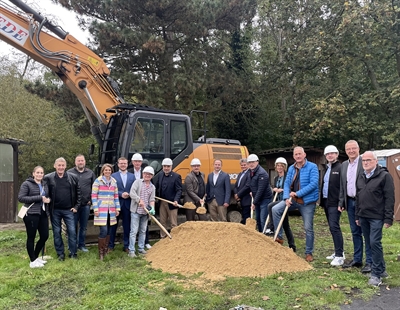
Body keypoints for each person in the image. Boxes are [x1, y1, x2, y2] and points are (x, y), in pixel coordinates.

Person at [271, 147, 319, 262]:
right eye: (296, 154)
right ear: (293, 156)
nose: (298, 156)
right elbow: (287, 184)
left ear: (304, 155)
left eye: (300, 154)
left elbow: (313, 184)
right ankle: (279, 237)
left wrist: (297, 194)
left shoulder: (312, 167)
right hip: (293, 200)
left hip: (307, 202)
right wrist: (287, 197)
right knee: (275, 209)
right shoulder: (292, 168)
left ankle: (308, 252)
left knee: (308, 228)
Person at [356, 151, 394, 286]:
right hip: (363, 215)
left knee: (374, 242)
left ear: (376, 161)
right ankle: (382, 269)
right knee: (369, 242)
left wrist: (388, 218)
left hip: (377, 216)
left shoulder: (384, 176)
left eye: (368, 160)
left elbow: (390, 198)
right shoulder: (361, 176)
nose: (365, 162)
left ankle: (376, 274)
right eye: (363, 160)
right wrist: (357, 215)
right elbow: (358, 197)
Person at [339, 140, 372, 272]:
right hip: (350, 202)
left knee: (366, 232)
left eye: (353, 148)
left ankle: (369, 261)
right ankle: (357, 259)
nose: (351, 151)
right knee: (355, 231)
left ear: (358, 149)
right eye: (348, 149)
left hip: (363, 203)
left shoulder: (364, 162)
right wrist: (341, 201)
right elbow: (343, 185)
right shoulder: (344, 165)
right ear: (345, 151)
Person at [45, 157, 81, 261]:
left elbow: (79, 193)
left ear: (65, 166)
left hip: (69, 210)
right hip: (55, 210)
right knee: (57, 232)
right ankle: (60, 254)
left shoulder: (73, 177)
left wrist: (76, 206)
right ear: (54, 166)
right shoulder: (48, 178)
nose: (60, 167)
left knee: (72, 232)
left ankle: (73, 253)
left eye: (62, 165)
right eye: (59, 165)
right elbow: (44, 192)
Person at [18, 166, 51, 268]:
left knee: (45, 235)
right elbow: (21, 198)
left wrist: (48, 200)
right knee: (31, 237)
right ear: (33, 174)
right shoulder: (26, 184)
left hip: (43, 213)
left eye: (41, 173)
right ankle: (32, 261)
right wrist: (39, 198)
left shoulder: (44, 184)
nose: (40, 174)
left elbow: (47, 196)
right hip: (31, 214)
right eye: (37, 172)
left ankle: (35, 257)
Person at [265, 157, 296, 252]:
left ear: (284, 167)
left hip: (286, 201)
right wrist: (275, 189)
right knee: (285, 224)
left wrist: (282, 190)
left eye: (281, 166)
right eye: (278, 166)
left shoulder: (288, 177)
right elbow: (275, 188)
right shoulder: (276, 178)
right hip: (279, 201)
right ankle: (292, 246)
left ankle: (272, 228)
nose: (279, 167)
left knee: (271, 206)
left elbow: (289, 187)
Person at [320, 145, 344, 266]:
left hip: (335, 203)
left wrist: (341, 202)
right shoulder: (326, 168)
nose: (330, 155)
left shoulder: (340, 168)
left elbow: (343, 187)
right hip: (326, 202)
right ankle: (338, 251)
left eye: (332, 153)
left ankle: (340, 256)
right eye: (328, 154)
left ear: (337, 154)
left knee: (334, 227)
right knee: (331, 227)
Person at [91, 163, 120, 260]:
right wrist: (95, 208)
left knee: (109, 230)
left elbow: (116, 196)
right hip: (101, 210)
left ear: (111, 171)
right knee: (103, 230)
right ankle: (101, 252)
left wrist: (117, 208)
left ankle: (106, 249)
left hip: (111, 210)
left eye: (109, 170)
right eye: (106, 170)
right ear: (103, 171)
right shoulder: (97, 181)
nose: (107, 172)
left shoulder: (114, 182)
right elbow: (94, 196)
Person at [67, 154, 96, 252]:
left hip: (85, 205)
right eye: (78, 161)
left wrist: (91, 201)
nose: (80, 162)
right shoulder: (69, 173)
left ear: (85, 162)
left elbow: (95, 188)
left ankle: (81, 245)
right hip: (73, 206)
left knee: (83, 227)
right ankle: (72, 245)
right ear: (75, 162)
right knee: (72, 227)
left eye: (82, 160)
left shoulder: (90, 173)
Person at [128, 166, 156, 257]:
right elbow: (132, 193)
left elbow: (152, 199)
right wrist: (138, 200)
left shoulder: (152, 187)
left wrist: (152, 208)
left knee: (143, 231)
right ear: (143, 174)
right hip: (136, 211)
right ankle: (131, 251)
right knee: (134, 231)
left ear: (152, 176)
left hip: (145, 212)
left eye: (149, 174)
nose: (147, 175)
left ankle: (140, 248)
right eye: (145, 173)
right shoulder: (137, 182)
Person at [109, 157, 135, 252]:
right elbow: (111, 189)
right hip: (116, 204)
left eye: (124, 163)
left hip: (128, 204)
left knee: (127, 226)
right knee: (113, 226)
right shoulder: (113, 176)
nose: (123, 165)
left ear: (127, 164)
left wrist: (129, 194)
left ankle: (126, 245)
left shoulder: (132, 176)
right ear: (118, 164)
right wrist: (120, 194)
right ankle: (110, 245)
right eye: (121, 163)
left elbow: (134, 189)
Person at [128, 152, 152, 249]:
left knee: (143, 228)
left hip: (145, 205)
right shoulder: (129, 172)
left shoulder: (147, 171)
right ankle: (131, 248)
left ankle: (144, 243)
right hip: (134, 202)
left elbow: (151, 189)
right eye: (135, 161)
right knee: (133, 229)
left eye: (139, 161)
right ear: (132, 162)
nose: (137, 163)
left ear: (141, 162)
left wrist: (151, 206)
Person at [156, 158, 182, 238]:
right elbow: (157, 187)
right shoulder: (160, 175)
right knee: (162, 222)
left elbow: (179, 190)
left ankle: (174, 239)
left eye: (168, 166)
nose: (166, 168)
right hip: (162, 202)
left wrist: (176, 200)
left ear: (171, 167)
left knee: (173, 223)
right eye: (164, 166)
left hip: (172, 203)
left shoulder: (176, 176)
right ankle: (163, 238)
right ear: (162, 167)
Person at [247, 154, 273, 232]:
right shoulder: (250, 172)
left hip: (265, 198)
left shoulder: (262, 173)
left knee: (263, 219)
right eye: (249, 162)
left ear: (257, 162)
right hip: (257, 198)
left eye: (253, 162)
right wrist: (252, 192)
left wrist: (254, 203)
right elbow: (251, 184)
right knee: (257, 218)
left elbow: (261, 190)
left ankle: (265, 236)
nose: (251, 164)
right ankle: (260, 234)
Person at [233, 158, 251, 224]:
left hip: (247, 199)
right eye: (242, 165)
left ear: (248, 165)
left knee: (246, 216)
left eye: (244, 165)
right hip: (241, 199)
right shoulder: (240, 174)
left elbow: (247, 186)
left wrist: (238, 194)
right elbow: (236, 185)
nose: (243, 166)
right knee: (243, 214)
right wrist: (235, 193)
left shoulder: (249, 174)